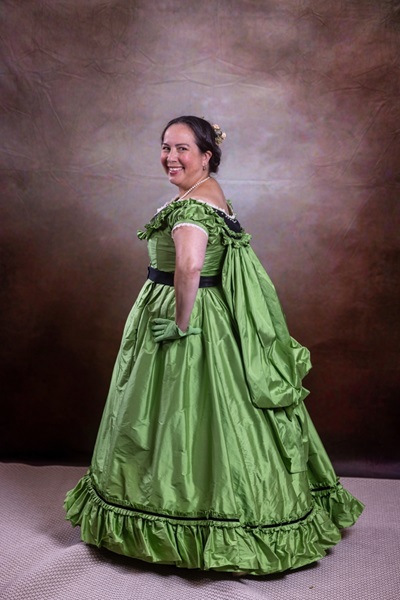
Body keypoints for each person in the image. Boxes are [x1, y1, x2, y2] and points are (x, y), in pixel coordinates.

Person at [64, 116, 364, 576]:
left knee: (178, 417)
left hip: (189, 316)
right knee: (212, 418)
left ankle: (192, 520)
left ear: (206, 155)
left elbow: (188, 267)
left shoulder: (192, 209)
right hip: (215, 315)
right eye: (166, 147)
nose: (170, 157)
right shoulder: (210, 195)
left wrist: (181, 325)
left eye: (183, 148)